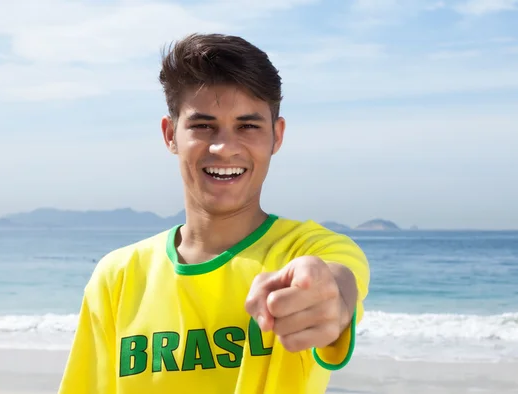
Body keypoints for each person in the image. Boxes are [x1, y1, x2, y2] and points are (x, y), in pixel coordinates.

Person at [58, 33, 370, 394]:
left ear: (276, 137)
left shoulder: (308, 251)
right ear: (170, 135)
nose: (224, 148)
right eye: (203, 126)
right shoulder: (117, 277)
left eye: (248, 126)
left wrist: (324, 297)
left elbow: (339, 285)